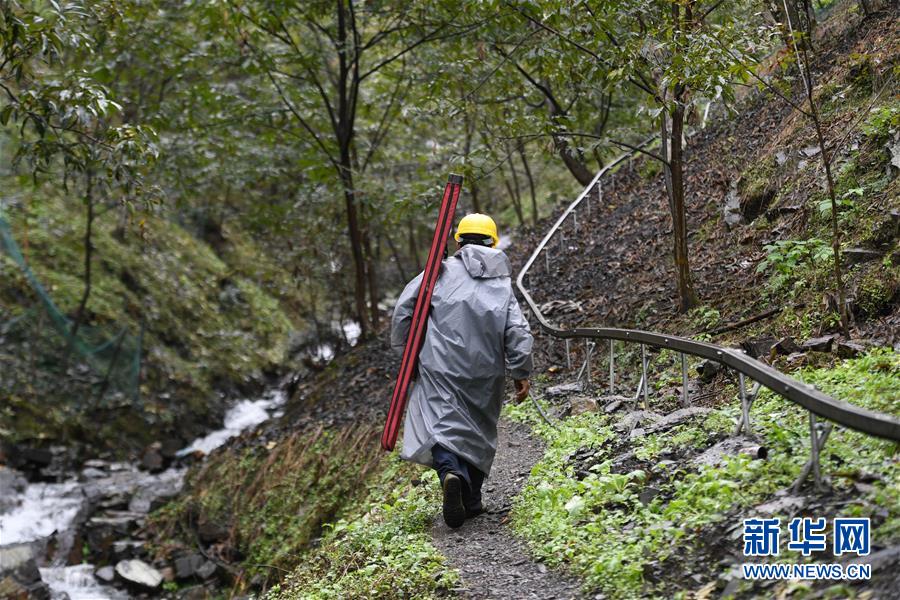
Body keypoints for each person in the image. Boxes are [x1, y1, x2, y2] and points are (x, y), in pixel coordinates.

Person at [390, 213, 534, 529]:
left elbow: (404, 312)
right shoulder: (501, 283)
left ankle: (450, 473)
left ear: (459, 241)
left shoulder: (436, 273)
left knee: (440, 423)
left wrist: (407, 357)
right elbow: (518, 331)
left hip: (439, 367)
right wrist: (521, 372)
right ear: (492, 242)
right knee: (479, 429)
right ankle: (472, 499)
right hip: (486, 373)